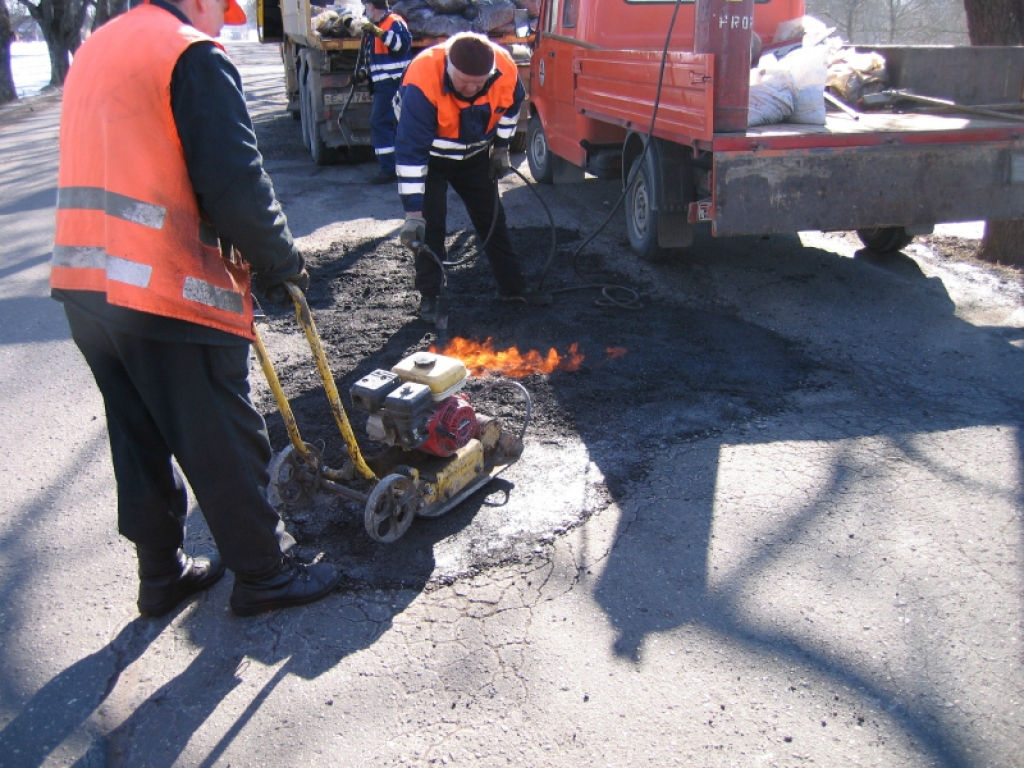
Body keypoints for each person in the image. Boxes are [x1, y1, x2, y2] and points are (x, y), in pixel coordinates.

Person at [50, 0, 340, 618]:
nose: (221, 24)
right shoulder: (187, 52)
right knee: (222, 434)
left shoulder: (100, 47)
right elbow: (235, 180)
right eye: (222, 11)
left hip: (85, 279)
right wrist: (281, 262)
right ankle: (264, 573)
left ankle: (160, 573)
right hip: (161, 287)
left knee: (138, 432)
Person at [394, 32, 550, 324]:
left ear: (490, 73)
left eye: (477, 83)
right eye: (463, 81)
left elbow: (511, 108)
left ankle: (512, 287)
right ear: (448, 68)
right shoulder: (422, 78)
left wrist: (501, 148)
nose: (470, 88)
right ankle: (431, 297)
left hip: (475, 155)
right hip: (431, 157)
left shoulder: (505, 68)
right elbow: (410, 153)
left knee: (492, 217)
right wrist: (413, 214)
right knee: (431, 225)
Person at [360, 0, 413, 184]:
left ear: (372, 7)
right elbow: (372, 56)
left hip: (394, 83)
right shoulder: (378, 26)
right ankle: (396, 166)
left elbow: (402, 45)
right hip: (384, 85)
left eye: (366, 6)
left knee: (379, 122)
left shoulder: (393, 21)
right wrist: (362, 74)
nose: (364, 11)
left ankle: (389, 169)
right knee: (391, 124)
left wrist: (379, 33)